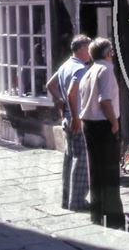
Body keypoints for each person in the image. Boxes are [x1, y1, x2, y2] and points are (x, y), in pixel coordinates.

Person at [78, 37, 124, 228]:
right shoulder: (106, 70)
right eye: (111, 51)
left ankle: (97, 214)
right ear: (107, 53)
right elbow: (105, 101)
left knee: (95, 171)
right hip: (103, 124)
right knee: (110, 171)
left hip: (89, 123)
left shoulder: (89, 71)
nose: (112, 55)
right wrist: (114, 124)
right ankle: (112, 217)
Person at [46, 35, 91, 211]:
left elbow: (50, 84)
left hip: (67, 118)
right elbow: (72, 94)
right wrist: (75, 117)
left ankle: (67, 199)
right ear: (80, 49)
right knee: (81, 160)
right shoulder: (80, 68)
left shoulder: (66, 65)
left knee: (69, 158)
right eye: (88, 48)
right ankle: (77, 201)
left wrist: (59, 100)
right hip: (75, 119)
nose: (90, 53)